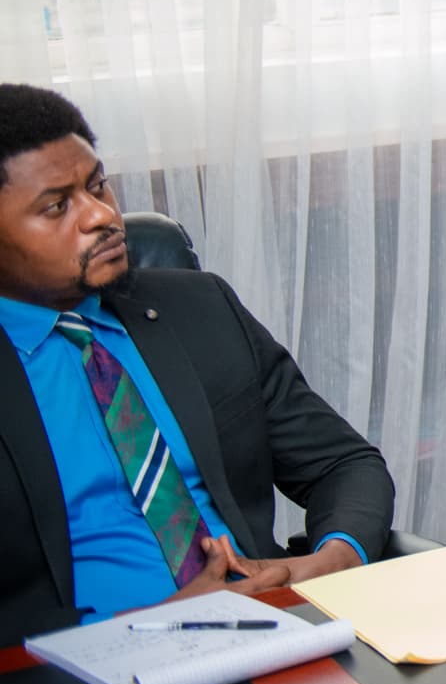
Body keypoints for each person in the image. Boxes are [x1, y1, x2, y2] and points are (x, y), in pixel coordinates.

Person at [0, 85, 394, 644]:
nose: (102, 216)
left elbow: (345, 464)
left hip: (274, 631)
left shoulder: (199, 308)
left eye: (97, 185)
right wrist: (137, 627)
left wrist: (329, 562)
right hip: (76, 683)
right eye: (57, 206)